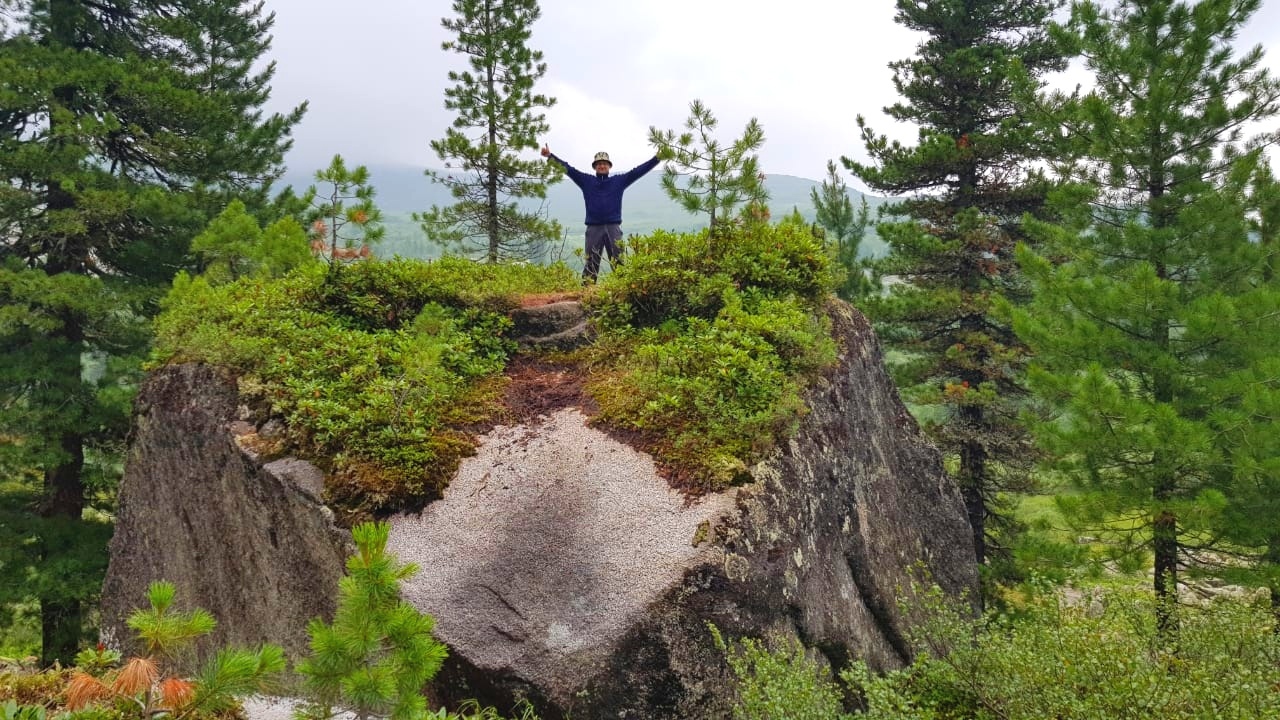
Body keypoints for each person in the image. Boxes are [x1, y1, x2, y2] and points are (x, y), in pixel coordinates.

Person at [542, 145, 660, 282]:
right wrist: (550, 157)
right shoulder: (586, 181)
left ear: (609, 166)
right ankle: (587, 293)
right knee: (591, 262)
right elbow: (569, 170)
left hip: (613, 227)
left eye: (604, 163)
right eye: (599, 164)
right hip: (593, 228)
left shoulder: (618, 181)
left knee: (619, 261)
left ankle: (623, 291)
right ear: (595, 167)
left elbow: (637, 172)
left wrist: (656, 159)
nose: (602, 166)